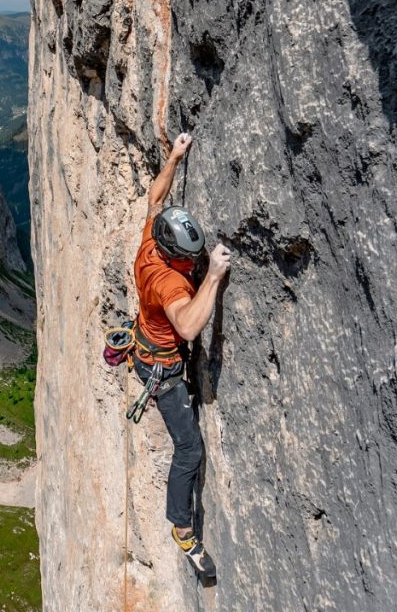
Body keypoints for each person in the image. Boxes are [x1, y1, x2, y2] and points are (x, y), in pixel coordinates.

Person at [132, 131, 231, 578]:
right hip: (161, 366)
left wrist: (173, 155)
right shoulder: (168, 282)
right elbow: (189, 326)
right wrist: (211, 276)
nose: (190, 265)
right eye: (187, 260)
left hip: (145, 346)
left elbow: (156, 196)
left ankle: (182, 523)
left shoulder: (152, 236)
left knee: (188, 445)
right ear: (174, 255)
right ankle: (182, 526)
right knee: (189, 449)